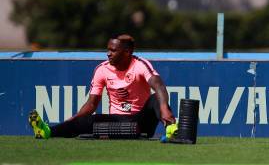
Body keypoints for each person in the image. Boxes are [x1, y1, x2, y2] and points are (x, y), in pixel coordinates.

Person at [29, 34, 176, 139]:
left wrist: (163, 108)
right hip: (116, 123)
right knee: (86, 121)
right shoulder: (102, 70)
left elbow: (159, 85)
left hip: (141, 123)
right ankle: (47, 132)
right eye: (108, 49)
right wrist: (74, 120)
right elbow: (92, 104)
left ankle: (172, 131)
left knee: (157, 98)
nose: (108, 54)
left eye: (113, 50)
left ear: (127, 52)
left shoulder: (140, 64)